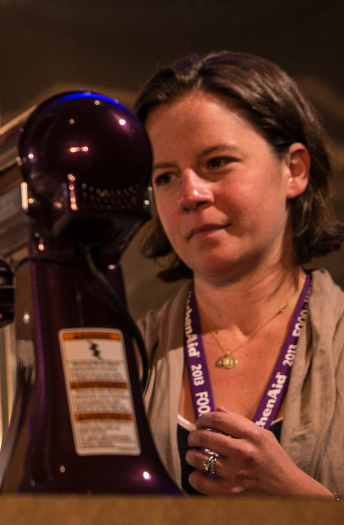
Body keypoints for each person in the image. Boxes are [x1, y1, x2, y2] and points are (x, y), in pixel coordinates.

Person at [135, 52, 343, 498]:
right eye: (166, 176)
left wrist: (300, 502)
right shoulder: (128, 359)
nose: (189, 194)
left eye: (216, 162)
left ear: (294, 170)